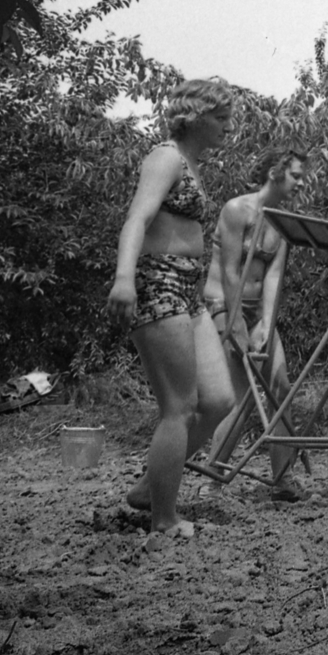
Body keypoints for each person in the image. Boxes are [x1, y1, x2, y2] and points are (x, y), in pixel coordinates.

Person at [106, 78, 239, 537]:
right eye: (220, 118)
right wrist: (124, 279)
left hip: (188, 288)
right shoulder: (165, 157)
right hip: (157, 281)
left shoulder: (193, 166)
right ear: (195, 117)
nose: (228, 127)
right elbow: (137, 218)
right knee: (179, 407)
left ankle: (149, 489)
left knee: (219, 398)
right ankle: (164, 518)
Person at [200, 149, 308, 497]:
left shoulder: (280, 219)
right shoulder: (237, 209)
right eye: (295, 175)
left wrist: (265, 322)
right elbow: (231, 272)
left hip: (257, 312)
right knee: (241, 394)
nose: (300, 182)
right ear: (275, 172)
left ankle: (282, 479)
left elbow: (274, 278)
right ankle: (212, 477)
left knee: (280, 381)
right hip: (222, 305)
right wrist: (237, 327)